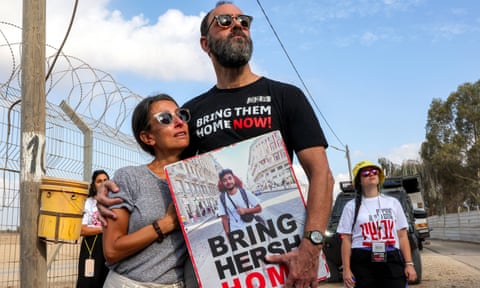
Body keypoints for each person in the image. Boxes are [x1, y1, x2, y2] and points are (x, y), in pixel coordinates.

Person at [98, 2, 334, 287]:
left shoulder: (286, 96)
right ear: (205, 43)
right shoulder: (191, 112)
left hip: (277, 259)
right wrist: (110, 189)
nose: (237, 25)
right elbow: (164, 168)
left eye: (244, 21)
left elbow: (321, 174)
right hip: (213, 266)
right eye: (224, 21)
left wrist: (312, 245)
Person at [101, 94, 197, 288]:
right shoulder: (130, 178)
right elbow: (111, 250)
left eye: (181, 115)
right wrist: (167, 223)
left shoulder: (200, 181)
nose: (179, 122)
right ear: (147, 137)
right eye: (166, 118)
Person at [337, 160, 417, 288]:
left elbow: (402, 236)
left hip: (391, 255)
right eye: (366, 173)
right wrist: (346, 269)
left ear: (379, 178)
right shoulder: (350, 207)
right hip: (362, 258)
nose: (371, 174)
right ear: (359, 181)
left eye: (374, 172)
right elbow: (346, 240)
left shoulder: (393, 203)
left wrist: (409, 264)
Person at [76, 170, 110, 288]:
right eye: (99, 181)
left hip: (110, 245)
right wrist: (103, 229)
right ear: (94, 184)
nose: (102, 183)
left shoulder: (115, 202)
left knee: (107, 280)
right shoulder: (88, 202)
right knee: (88, 282)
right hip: (91, 246)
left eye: (105, 180)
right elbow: (82, 230)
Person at [217, 168, 263, 234]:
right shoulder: (221, 199)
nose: (228, 182)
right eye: (225, 180)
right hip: (236, 233)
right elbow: (224, 219)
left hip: (252, 229)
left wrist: (245, 210)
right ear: (222, 183)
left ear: (234, 179)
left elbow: (259, 208)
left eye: (230, 178)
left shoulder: (244, 192)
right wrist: (228, 236)